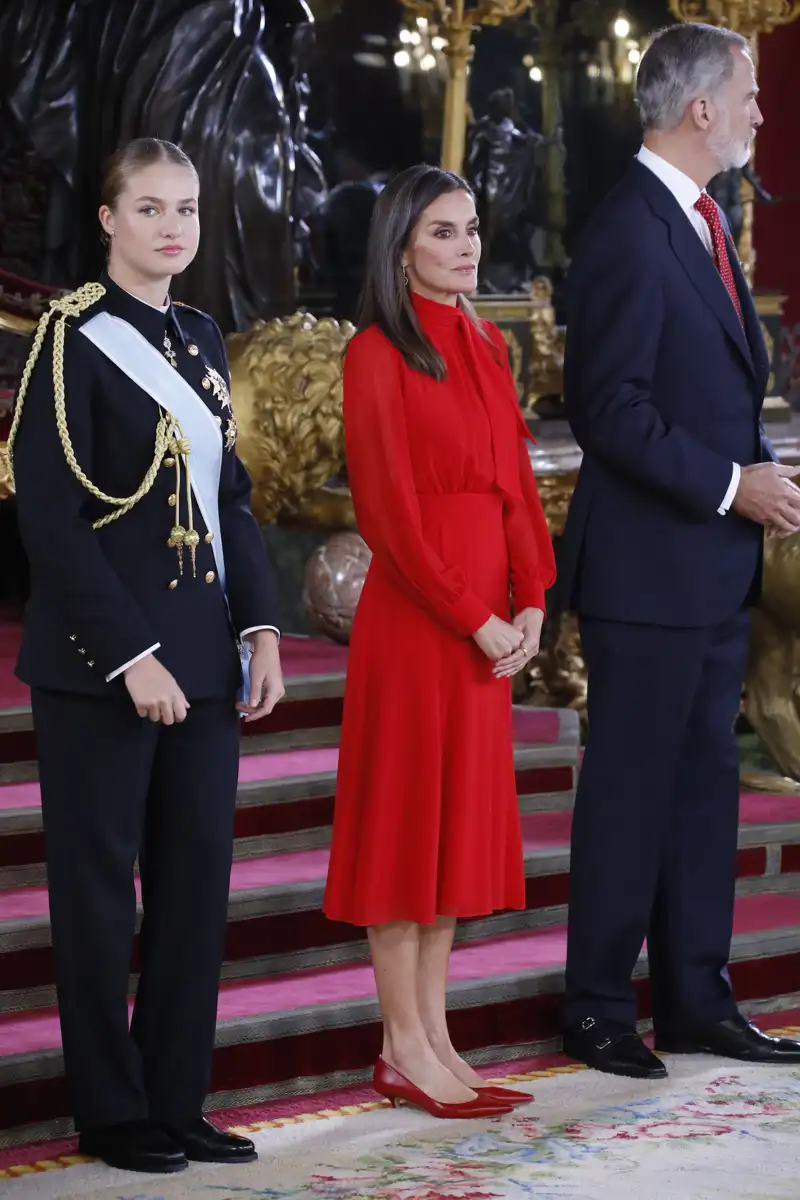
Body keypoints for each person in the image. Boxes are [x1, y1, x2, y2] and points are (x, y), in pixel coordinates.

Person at [6, 137, 285, 1172]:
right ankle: (112, 1111)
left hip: (207, 658)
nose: (173, 227)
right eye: (151, 208)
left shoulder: (204, 337)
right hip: (98, 667)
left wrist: (256, 626)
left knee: (192, 888)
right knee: (93, 892)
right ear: (110, 222)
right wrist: (131, 654)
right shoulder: (69, 342)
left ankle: (175, 1099)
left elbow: (232, 498)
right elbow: (51, 521)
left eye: (187, 210)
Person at [559, 23, 800, 1078]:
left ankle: (696, 997)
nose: (758, 111)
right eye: (746, 95)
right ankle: (598, 1004)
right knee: (628, 793)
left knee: (704, 793)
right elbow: (606, 408)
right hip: (645, 575)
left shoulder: (702, 221)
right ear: (698, 108)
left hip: (706, 572)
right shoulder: (625, 232)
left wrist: (756, 476)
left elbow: (715, 391)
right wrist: (731, 485)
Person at [323, 164, 556, 1118]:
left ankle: (429, 1037)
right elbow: (389, 518)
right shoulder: (376, 353)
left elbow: (518, 487)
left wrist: (533, 600)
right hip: (421, 624)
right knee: (403, 833)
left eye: (470, 230)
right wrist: (478, 615)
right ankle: (405, 1046)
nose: (465, 248)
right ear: (401, 247)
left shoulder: (489, 345)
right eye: (443, 233)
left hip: (488, 628)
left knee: (453, 835)